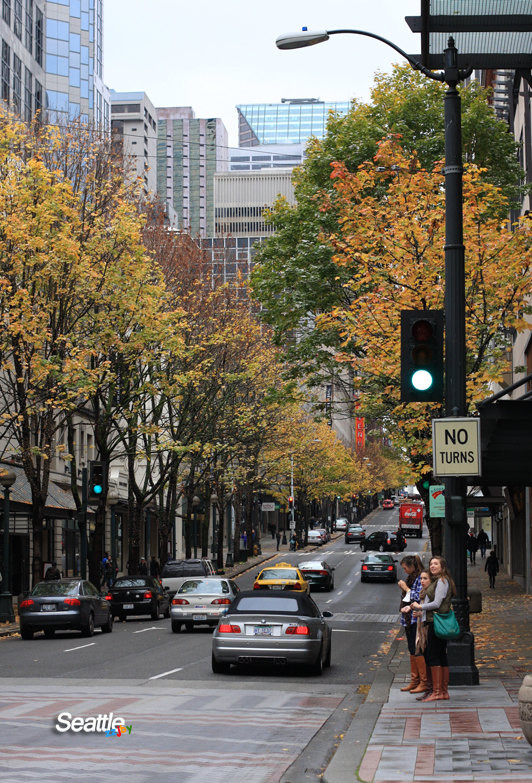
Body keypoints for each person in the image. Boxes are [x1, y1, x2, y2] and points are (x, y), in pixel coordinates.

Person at [411, 555, 456, 702]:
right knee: (440, 655)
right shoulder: (438, 581)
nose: (432, 566)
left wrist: (420, 606)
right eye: (431, 564)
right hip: (432, 620)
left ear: (442, 567)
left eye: (436, 564)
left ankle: (438, 691)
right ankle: (441, 691)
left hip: (435, 622)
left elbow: (437, 603)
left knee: (434, 656)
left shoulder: (442, 582)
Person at [398, 555, 428, 694]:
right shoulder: (411, 578)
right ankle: (415, 680)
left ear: (412, 566)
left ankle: (422, 681)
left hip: (416, 618)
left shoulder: (418, 578)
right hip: (408, 617)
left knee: (417, 648)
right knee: (411, 648)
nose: (404, 571)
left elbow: (417, 596)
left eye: (405, 568)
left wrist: (406, 588)